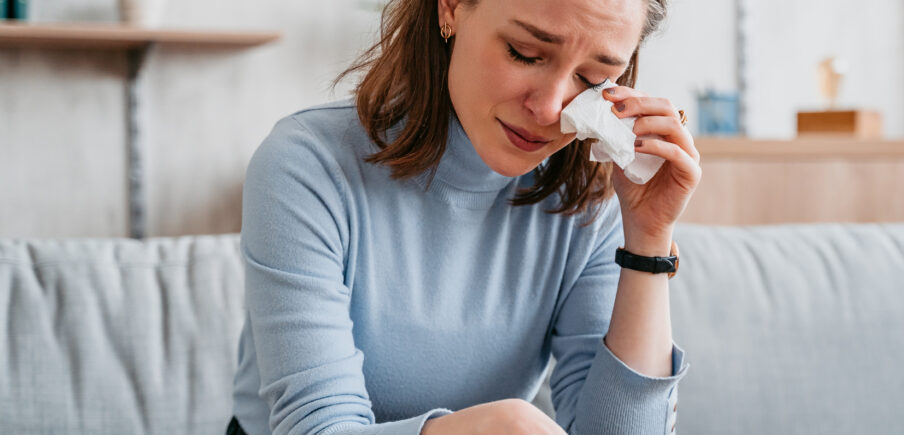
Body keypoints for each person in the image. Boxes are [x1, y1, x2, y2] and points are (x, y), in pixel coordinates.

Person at [228, 0, 699, 433]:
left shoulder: (586, 199)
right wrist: (501, 424)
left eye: (593, 79)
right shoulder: (307, 164)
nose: (552, 109)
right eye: (524, 52)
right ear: (451, 7)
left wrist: (649, 240)